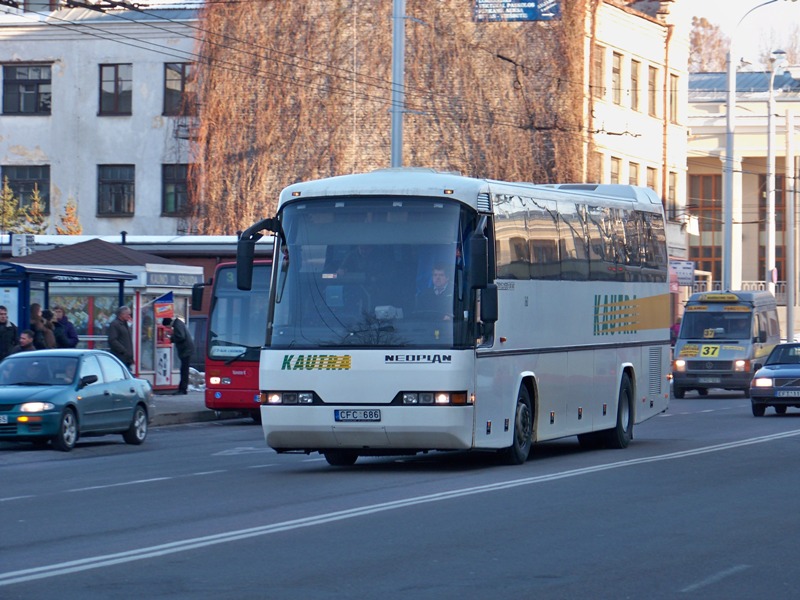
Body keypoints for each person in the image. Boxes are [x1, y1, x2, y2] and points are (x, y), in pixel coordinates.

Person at [162, 316, 194, 395]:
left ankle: (183, 389)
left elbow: (181, 337)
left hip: (186, 350)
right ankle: (182, 388)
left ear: (168, 324)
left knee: (184, 370)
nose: (168, 328)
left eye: (167, 327)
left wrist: (172, 338)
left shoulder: (177, 325)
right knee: (184, 369)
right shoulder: (178, 323)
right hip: (187, 349)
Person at [107, 305, 134, 371]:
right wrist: (123, 351)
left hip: (127, 358)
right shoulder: (115, 324)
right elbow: (112, 340)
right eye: (128, 314)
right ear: (122, 314)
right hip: (120, 357)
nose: (129, 316)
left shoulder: (125, 324)